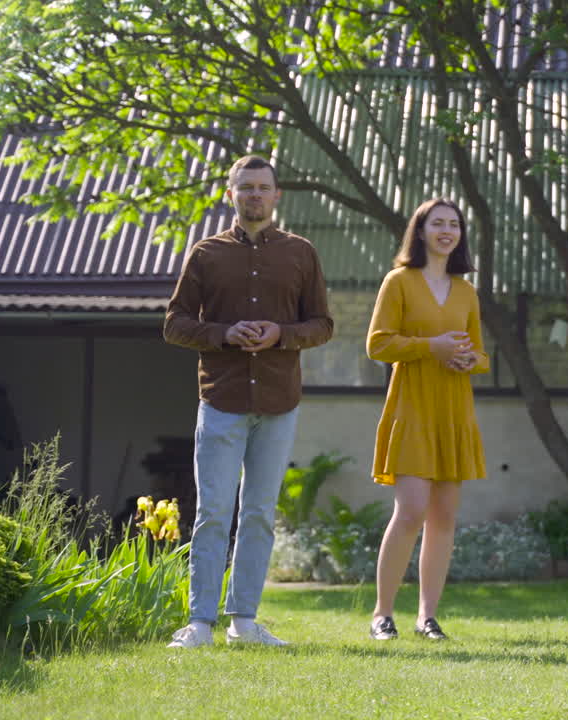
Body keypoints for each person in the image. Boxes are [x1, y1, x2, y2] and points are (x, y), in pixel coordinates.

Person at [164, 154, 334, 648]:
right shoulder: (206, 254)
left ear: (277, 196)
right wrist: (224, 333)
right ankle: (199, 622)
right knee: (214, 511)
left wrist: (281, 333)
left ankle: (244, 621)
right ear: (230, 193)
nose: (255, 195)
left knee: (259, 512)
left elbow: (323, 325)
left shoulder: (301, 253)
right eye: (246, 187)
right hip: (221, 401)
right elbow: (174, 324)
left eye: (263, 187)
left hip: (280, 403)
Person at [365, 198, 488, 642]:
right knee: (412, 509)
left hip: (453, 408)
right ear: (419, 231)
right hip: (412, 405)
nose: (446, 231)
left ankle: (427, 617)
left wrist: (469, 360)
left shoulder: (467, 291)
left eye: (453, 224)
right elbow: (377, 345)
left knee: (444, 515)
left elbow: (480, 352)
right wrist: (429, 346)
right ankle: (382, 613)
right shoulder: (399, 281)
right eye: (437, 223)